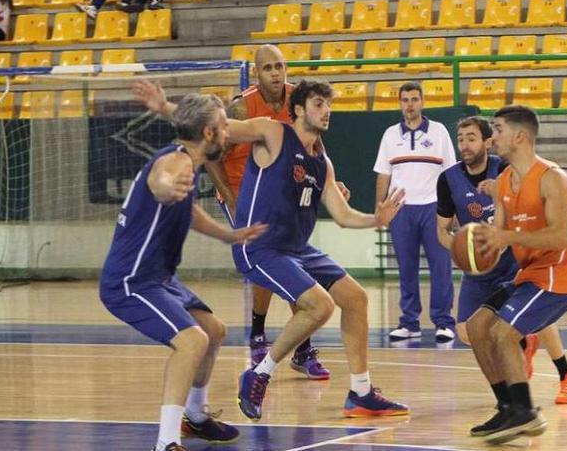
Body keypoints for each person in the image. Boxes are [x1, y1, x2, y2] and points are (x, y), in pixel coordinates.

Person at [134, 79, 410, 420]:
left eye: (328, 105)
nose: (326, 112)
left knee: (355, 298)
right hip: (260, 247)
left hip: (297, 248)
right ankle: (259, 372)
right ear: (297, 109)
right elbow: (221, 126)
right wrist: (165, 108)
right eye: (318, 104)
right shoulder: (273, 133)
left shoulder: (322, 161)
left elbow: (342, 214)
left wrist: (376, 219)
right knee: (319, 305)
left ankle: (361, 392)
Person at [100, 91, 267, 451]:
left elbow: (188, 211)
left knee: (213, 330)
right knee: (192, 341)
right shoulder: (176, 163)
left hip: (160, 278)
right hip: (131, 281)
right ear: (208, 134)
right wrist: (163, 188)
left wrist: (229, 235)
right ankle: (166, 442)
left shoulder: (187, 162)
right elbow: (162, 181)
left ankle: (196, 417)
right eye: (223, 128)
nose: (228, 134)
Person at [204, 44, 330, 380]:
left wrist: (333, 180)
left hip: (282, 190)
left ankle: (299, 348)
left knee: (294, 263)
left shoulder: (298, 100)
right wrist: (229, 196)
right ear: (256, 74)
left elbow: (314, 141)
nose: (276, 73)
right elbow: (210, 152)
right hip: (244, 193)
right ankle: (262, 335)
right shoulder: (243, 107)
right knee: (274, 261)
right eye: (268, 68)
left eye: (280, 66)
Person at [436, 115, 567, 405]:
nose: (464, 144)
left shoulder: (515, 170)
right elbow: (443, 228)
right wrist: (464, 250)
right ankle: (511, 402)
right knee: (469, 330)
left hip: (523, 261)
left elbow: (546, 229)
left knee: (526, 320)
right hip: (485, 263)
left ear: (488, 142)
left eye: (471, 138)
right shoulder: (450, 178)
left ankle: (564, 377)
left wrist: (504, 238)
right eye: (460, 138)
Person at [468, 105, 567, 445]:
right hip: (531, 274)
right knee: (476, 328)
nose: (493, 138)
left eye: (499, 130)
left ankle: (526, 412)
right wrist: (481, 243)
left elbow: (559, 237)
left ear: (520, 136)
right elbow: (501, 235)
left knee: (505, 333)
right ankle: (508, 406)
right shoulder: (505, 180)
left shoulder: (553, 178)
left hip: (559, 276)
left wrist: (507, 237)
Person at [373, 82, 457, 342]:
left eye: (414, 99)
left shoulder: (440, 131)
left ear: (422, 102)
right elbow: (383, 174)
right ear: (400, 104)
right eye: (405, 100)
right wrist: (380, 209)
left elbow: (451, 173)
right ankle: (409, 323)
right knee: (406, 268)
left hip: (434, 208)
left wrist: (451, 210)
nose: (410, 104)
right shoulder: (389, 135)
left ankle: (444, 322)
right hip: (401, 211)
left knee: (440, 267)